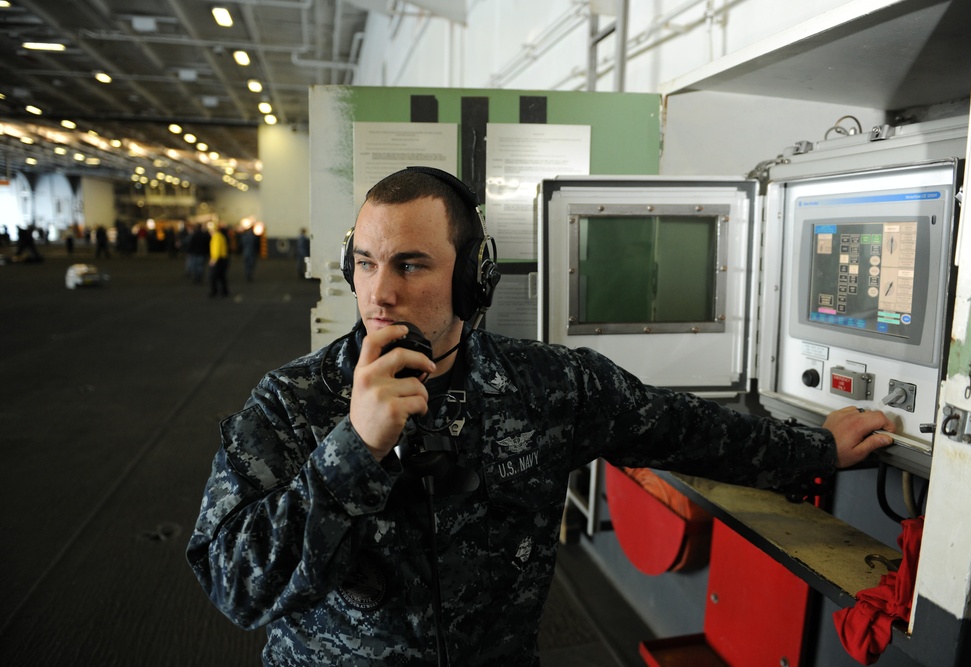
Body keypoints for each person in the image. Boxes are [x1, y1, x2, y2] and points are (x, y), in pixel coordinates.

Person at [187, 167, 894, 666]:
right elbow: (234, 583)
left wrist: (817, 451)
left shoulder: (547, 387)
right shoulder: (292, 401)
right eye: (366, 263)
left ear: (472, 279)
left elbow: (685, 427)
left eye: (411, 265)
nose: (381, 292)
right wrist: (353, 449)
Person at [208, 223, 229, 298]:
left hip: (219, 259)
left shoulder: (216, 237)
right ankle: (224, 291)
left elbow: (216, 249)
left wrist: (213, 260)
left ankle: (214, 291)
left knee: (212, 276)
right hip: (223, 259)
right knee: (221, 276)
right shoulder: (220, 236)